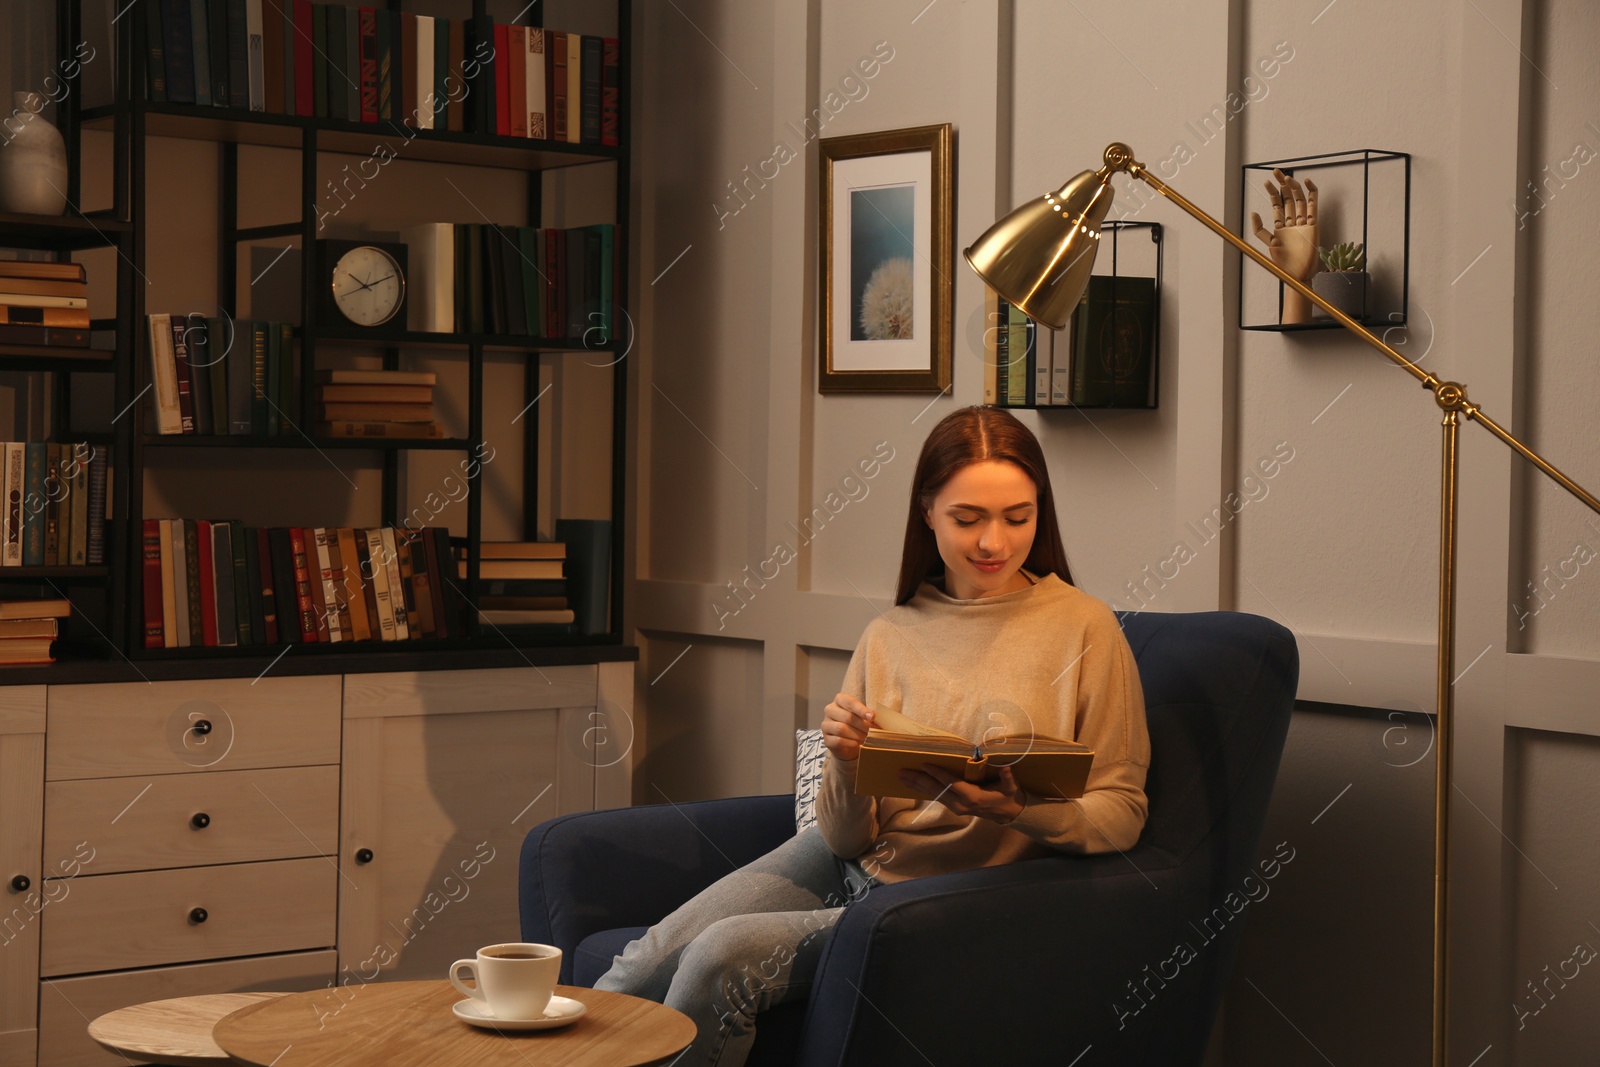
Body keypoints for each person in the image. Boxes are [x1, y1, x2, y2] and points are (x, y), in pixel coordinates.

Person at [594, 405, 1150, 1066]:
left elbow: (1124, 814)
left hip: (942, 900)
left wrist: (1020, 809)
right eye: (967, 518)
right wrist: (844, 760)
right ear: (926, 513)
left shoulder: (1086, 631)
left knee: (719, 958)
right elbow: (844, 838)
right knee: (644, 960)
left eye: (1018, 517)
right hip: (848, 858)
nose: (993, 543)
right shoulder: (891, 633)